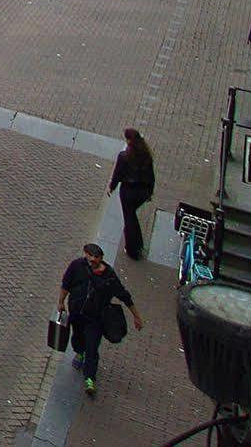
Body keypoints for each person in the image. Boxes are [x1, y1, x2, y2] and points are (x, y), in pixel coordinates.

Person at [58, 243, 143, 396]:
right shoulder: (77, 266)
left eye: (96, 258)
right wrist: (61, 302)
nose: (93, 261)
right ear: (85, 254)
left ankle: (90, 378)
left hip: (95, 317)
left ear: (101, 258)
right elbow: (66, 283)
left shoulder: (109, 275)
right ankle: (79, 351)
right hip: (77, 313)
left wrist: (136, 316)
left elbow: (123, 295)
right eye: (90, 257)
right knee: (77, 336)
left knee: (92, 346)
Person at [108, 130, 157, 259]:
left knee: (129, 218)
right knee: (132, 216)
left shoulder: (124, 156)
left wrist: (111, 187)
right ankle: (137, 244)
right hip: (142, 192)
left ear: (129, 141)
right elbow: (151, 176)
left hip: (128, 191)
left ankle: (132, 248)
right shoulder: (146, 155)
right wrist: (149, 192)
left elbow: (117, 174)